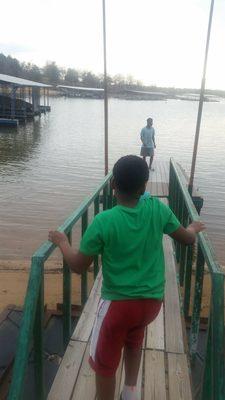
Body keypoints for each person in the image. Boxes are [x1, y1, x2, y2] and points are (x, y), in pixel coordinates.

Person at [48, 155, 205, 400]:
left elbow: (78, 265)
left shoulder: (104, 221)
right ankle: (130, 393)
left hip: (118, 307)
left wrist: (63, 243)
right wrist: (193, 228)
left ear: (113, 186)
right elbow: (187, 239)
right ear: (144, 186)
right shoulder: (157, 209)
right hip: (152, 303)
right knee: (134, 341)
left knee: (105, 362)